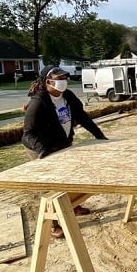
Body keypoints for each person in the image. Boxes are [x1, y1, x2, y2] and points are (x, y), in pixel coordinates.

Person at [22, 65, 108, 238]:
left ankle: (73, 206)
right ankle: (52, 224)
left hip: (62, 142)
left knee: (70, 177)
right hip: (40, 147)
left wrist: (100, 136)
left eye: (63, 78)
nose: (63, 81)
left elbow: (83, 117)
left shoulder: (67, 96)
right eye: (59, 78)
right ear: (48, 81)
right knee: (51, 186)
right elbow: (28, 133)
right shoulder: (39, 102)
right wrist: (43, 152)